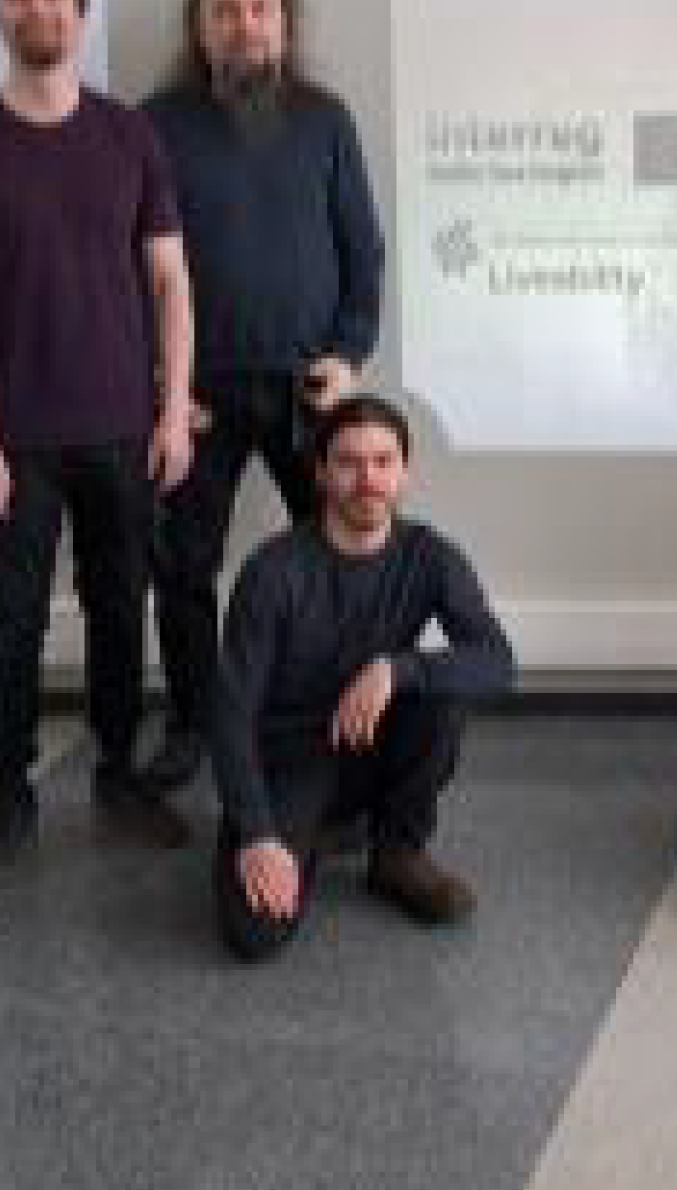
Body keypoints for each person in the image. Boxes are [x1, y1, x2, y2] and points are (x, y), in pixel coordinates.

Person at [0, 0, 196, 851]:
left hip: (123, 426)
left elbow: (171, 281)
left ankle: (118, 769)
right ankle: (9, 786)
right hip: (11, 437)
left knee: (120, 608)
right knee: (12, 621)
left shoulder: (129, 135)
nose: (38, 8)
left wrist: (173, 410)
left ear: (80, 9)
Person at [141, 0, 385, 792]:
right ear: (199, 26)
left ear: (284, 21)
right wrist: (161, 386)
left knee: (335, 559)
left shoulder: (327, 120)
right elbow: (131, 264)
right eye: (226, 11)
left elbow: (364, 251)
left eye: (260, 8)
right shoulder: (155, 125)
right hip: (196, 397)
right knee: (182, 567)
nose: (245, 25)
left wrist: (349, 354)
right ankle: (192, 721)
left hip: (307, 389)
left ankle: (332, 716)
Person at [208, 393, 514, 961]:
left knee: (440, 696)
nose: (367, 480)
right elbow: (230, 713)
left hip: (374, 740)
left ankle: (397, 854)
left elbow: (497, 662)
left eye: (382, 462)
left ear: (404, 473)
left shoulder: (431, 556)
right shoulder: (272, 571)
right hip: (292, 760)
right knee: (255, 933)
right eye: (348, 463)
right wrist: (257, 834)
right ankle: (311, 828)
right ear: (321, 473)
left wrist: (397, 668)